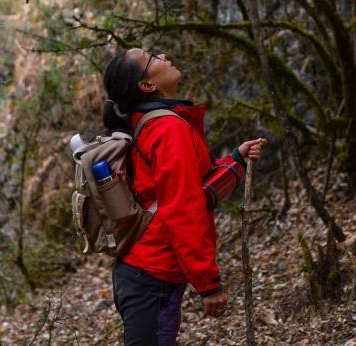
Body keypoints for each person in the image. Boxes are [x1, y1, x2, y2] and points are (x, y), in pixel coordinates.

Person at [102, 48, 266, 346]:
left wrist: (235, 161)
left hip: (145, 274)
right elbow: (182, 210)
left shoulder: (155, 122)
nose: (164, 55)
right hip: (150, 278)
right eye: (153, 58)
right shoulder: (168, 127)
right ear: (147, 85)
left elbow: (192, 188)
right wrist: (208, 284)